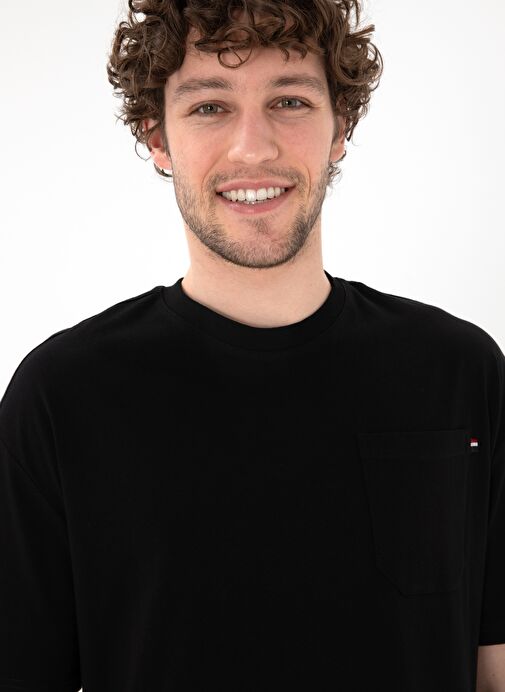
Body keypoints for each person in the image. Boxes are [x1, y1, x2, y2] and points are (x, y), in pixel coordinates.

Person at [1, 1, 504, 690]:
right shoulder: (60, 398)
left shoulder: (459, 372)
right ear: (157, 136)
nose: (252, 148)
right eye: (209, 107)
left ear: (340, 127)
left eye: (289, 100)